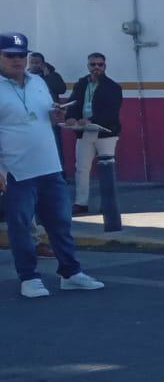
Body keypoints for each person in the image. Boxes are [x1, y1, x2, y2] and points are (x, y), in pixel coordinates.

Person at [0, 33, 104, 298]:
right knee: (21, 226)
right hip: (16, 171)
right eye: (10, 55)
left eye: (21, 55)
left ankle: (70, 273)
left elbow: (47, 115)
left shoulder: (38, 82)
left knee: (60, 223)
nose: (17, 60)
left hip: (49, 166)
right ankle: (29, 278)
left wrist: (58, 116)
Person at [63, 52, 123, 215]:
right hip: (85, 132)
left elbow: (112, 111)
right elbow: (74, 102)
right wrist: (71, 117)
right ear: (88, 66)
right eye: (93, 64)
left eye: (100, 64)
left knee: (106, 168)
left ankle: (108, 203)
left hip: (106, 133)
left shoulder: (113, 87)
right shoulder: (81, 84)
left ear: (105, 66)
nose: (96, 67)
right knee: (81, 168)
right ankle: (81, 202)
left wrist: (91, 120)